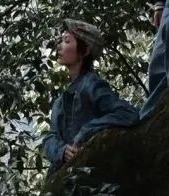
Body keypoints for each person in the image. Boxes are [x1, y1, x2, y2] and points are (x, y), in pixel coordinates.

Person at [42, 20, 138, 167]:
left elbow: (127, 113)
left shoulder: (91, 84)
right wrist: (61, 151)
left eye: (66, 41)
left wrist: (87, 131)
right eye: (61, 40)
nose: (59, 46)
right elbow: (50, 137)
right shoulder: (60, 101)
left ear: (84, 51)